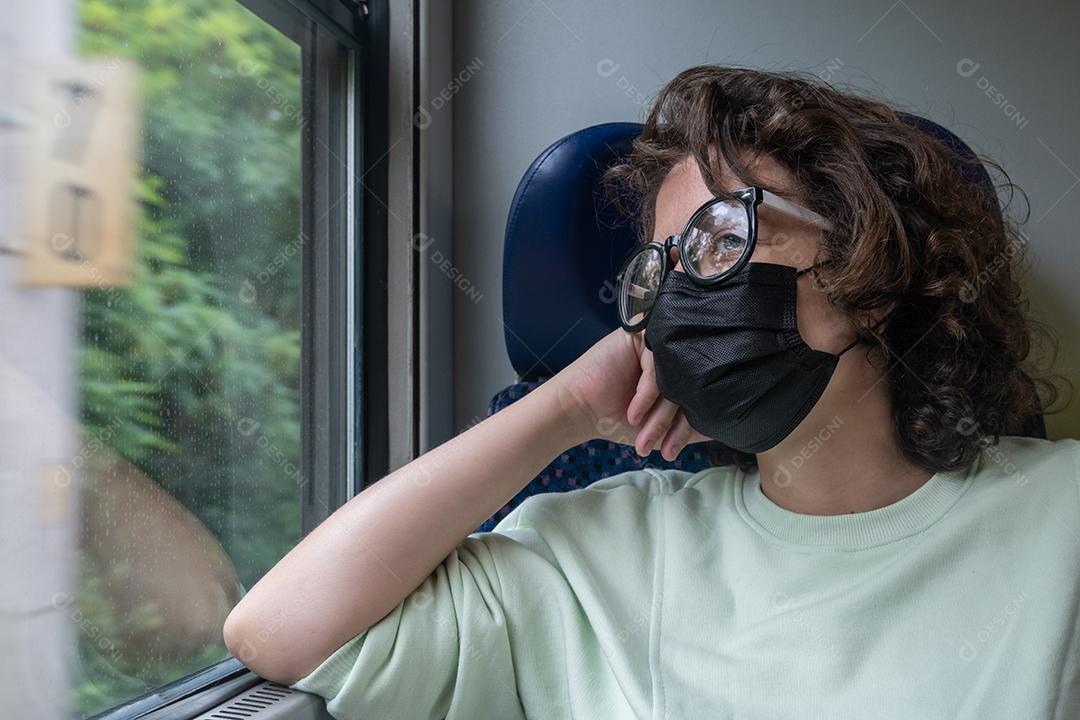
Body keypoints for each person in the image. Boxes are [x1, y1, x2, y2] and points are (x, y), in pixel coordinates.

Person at [223, 66, 1078, 719]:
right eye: (655, 270)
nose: (675, 295)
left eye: (717, 236)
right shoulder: (597, 549)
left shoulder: (1058, 516)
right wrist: (562, 406)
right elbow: (279, 629)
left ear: (876, 272)